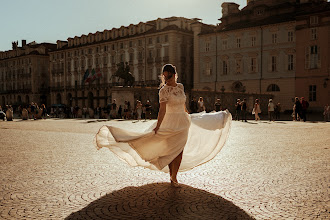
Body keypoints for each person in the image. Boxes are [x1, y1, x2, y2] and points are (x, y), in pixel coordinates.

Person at [94, 64, 232, 186]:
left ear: (175, 75)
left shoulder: (181, 87)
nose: (167, 79)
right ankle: (171, 174)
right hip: (169, 123)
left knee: (179, 151)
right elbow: (162, 110)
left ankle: (174, 177)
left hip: (183, 122)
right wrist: (158, 126)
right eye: (165, 77)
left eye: (169, 76)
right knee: (171, 150)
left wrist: (187, 113)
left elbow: (183, 103)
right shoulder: (163, 91)